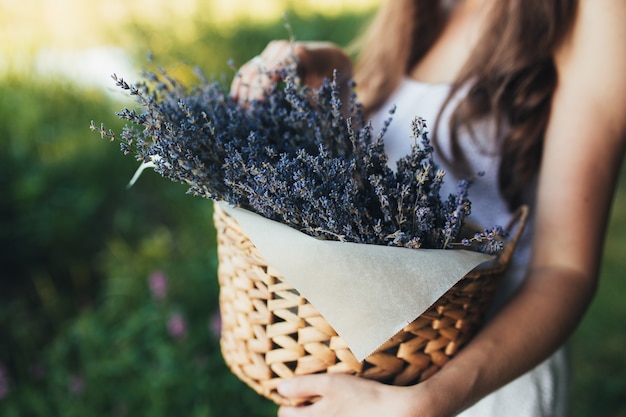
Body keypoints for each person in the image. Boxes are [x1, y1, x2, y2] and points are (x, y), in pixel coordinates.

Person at [229, 0, 626, 416]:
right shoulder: (419, 10)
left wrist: (426, 402)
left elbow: (564, 271)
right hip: (374, 373)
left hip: (481, 387)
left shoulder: (592, 12)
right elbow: (378, 172)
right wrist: (335, 73)